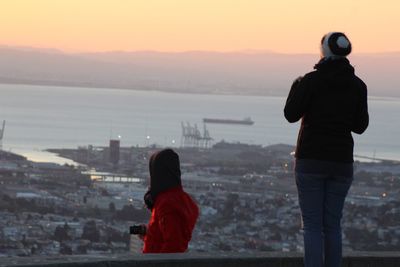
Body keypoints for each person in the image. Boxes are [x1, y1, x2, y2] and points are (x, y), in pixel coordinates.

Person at [284, 32, 369, 267]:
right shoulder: (358, 86)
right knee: (332, 224)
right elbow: (360, 126)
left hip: (310, 160)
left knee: (312, 225)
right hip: (341, 162)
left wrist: (295, 87)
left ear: (324, 50)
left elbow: (290, 114)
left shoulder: (311, 81)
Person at [141, 148, 199, 253]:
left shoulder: (167, 203)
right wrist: (148, 233)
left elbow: (174, 246)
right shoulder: (183, 200)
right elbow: (171, 233)